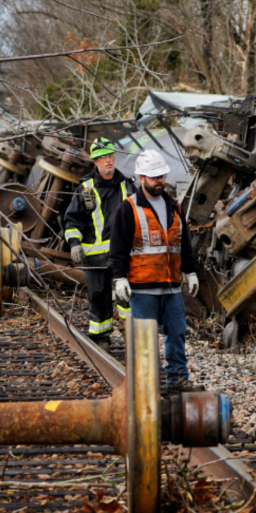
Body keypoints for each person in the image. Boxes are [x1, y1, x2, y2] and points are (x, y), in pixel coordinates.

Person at [109, 149, 202, 393]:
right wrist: (119, 278)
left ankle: (178, 381)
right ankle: (145, 387)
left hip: (171, 286)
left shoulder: (174, 207)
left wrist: (190, 271)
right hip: (143, 288)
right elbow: (118, 248)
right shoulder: (128, 208)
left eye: (161, 175)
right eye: (154, 177)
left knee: (177, 333)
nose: (159, 180)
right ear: (141, 177)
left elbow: (183, 244)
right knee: (145, 340)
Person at [64, 137, 136, 351]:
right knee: (98, 296)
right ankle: (100, 338)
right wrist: (75, 243)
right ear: (95, 162)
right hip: (94, 257)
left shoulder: (127, 185)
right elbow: (72, 220)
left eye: (110, 156)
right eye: (102, 157)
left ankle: (131, 334)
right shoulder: (85, 190)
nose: (107, 161)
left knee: (127, 295)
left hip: (122, 255)